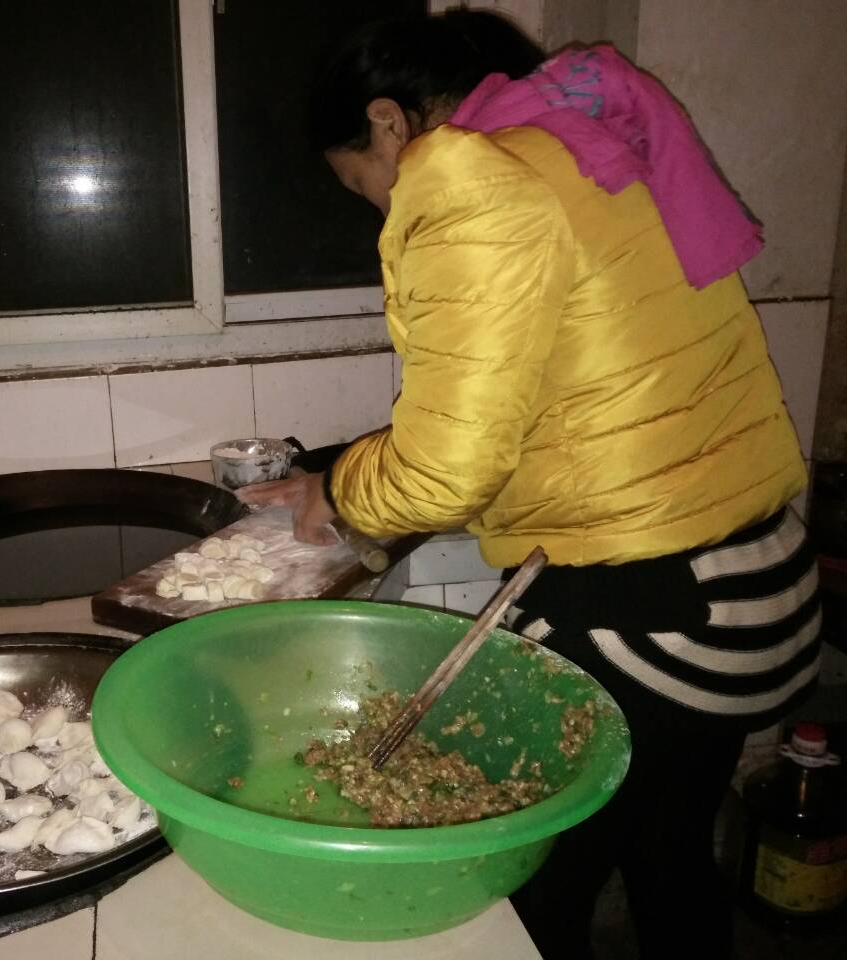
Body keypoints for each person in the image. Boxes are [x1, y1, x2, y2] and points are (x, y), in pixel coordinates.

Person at [238, 10, 823, 960]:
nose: (380, 207)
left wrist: (341, 495)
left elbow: (445, 470)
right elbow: (570, 387)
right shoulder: (582, 152)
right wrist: (340, 464)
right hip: (757, 582)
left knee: (535, 889)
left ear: (387, 123)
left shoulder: (468, 177)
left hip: (653, 619)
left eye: (363, 184)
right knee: (667, 857)